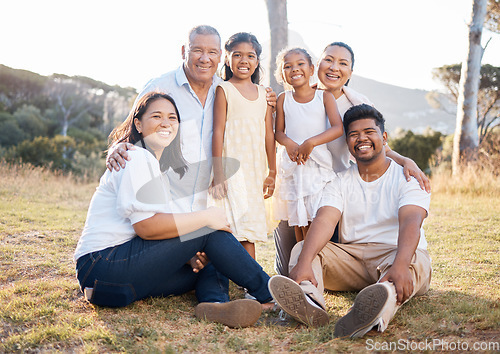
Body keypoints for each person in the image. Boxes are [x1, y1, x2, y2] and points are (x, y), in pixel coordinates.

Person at [75, 92, 274, 328]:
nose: (166, 123)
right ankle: (271, 294)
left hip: (108, 285)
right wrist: (207, 217)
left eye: (172, 118)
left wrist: (188, 256)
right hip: (104, 263)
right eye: (156, 116)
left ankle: (216, 305)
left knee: (209, 257)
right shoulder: (137, 157)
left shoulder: (154, 167)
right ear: (138, 123)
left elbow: (162, 229)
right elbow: (146, 228)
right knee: (208, 228)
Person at [268, 104, 432, 337]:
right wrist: (304, 261)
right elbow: (325, 220)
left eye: (369, 132)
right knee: (305, 248)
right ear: (348, 143)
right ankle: (309, 301)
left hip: (394, 254)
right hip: (352, 258)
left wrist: (400, 264)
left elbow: (411, 222)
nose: (361, 139)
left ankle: (376, 310)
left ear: (384, 138)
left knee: (415, 259)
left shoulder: (409, 177)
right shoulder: (339, 182)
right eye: (354, 135)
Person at [273, 42, 431, 276]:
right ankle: (290, 281)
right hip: (299, 179)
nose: (334, 67)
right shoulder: (300, 94)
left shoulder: (358, 104)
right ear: (317, 65)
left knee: (321, 243)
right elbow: (279, 128)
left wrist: (404, 159)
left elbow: (375, 143)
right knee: (290, 252)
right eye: (329, 60)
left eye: (343, 63)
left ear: (350, 72)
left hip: (335, 187)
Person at [106, 25, 276, 216]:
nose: (205, 58)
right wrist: (115, 149)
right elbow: (130, 132)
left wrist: (267, 96)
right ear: (183, 52)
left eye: (212, 52)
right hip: (166, 207)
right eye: (197, 50)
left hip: (211, 205)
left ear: (220, 56)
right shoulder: (160, 87)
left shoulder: (227, 92)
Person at [209, 32, 276, 260]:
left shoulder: (264, 94)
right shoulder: (224, 89)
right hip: (230, 167)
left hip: (254, 169)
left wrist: (272, 171)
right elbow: (217, 131)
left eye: (250, 55)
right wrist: (218, 172)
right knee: (227, 222)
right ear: (227, 58)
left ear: (257, 61)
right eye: (237, 55)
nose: (244, 60)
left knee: (249, 227)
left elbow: (269, 134)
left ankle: (251, 282)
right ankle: (220, 276)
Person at [273, 47, 343, 243]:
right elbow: (279, 132)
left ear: (312, 70)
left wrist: (311, 142)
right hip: (294, 167)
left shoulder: (324, 97)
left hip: (317, 167)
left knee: (317, 218)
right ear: (282, 75)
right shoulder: (283, 99)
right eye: (288, 66)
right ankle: (300, 264)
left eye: (300, 64)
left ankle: (315, 263)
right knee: (299, 220)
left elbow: (338, 128)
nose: (294, 69)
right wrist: (289, 144)